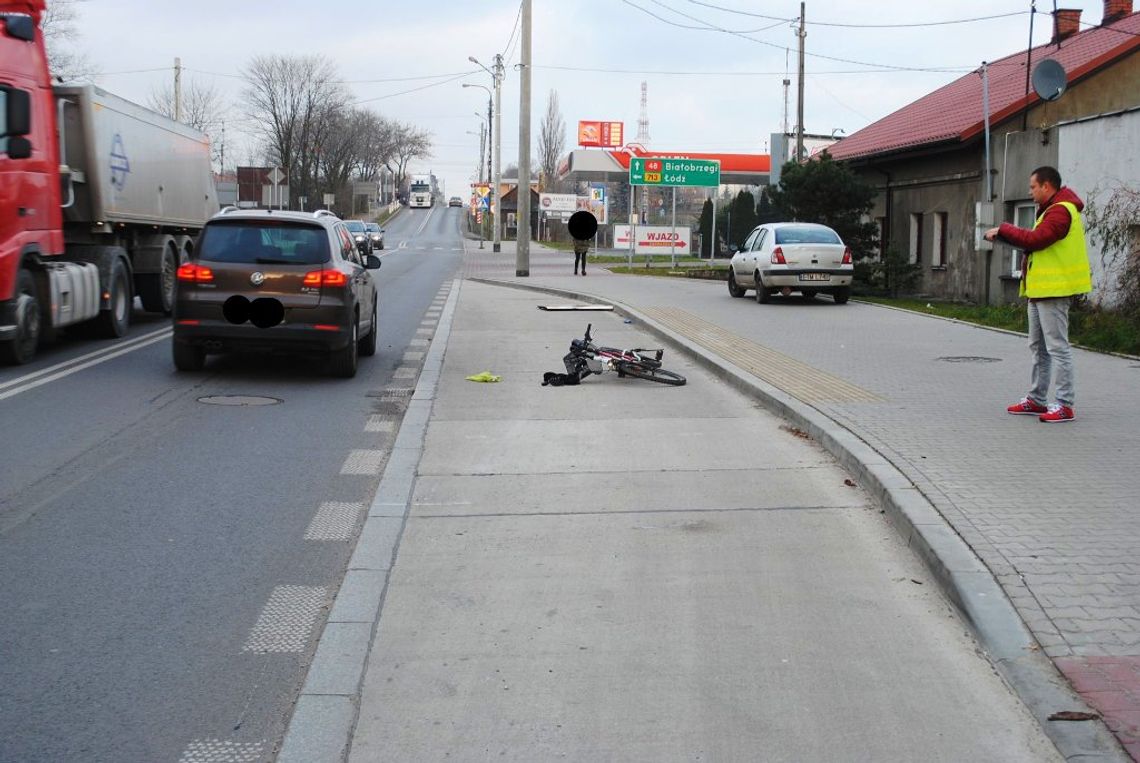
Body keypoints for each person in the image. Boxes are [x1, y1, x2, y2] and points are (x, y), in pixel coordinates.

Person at [984, 165, 1092, 423]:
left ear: (1046, 186)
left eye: (1033, 187)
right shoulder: (1051, 210)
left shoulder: (1061, 211)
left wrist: (1004, 229)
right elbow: (1033, 243)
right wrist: (1002, 237)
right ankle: (1037, 400)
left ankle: (1065, 404)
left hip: (1054, 291)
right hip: (1039, 291)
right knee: (1038, 348)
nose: (1030, 191)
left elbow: (1036, 240)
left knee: (1057, 348)